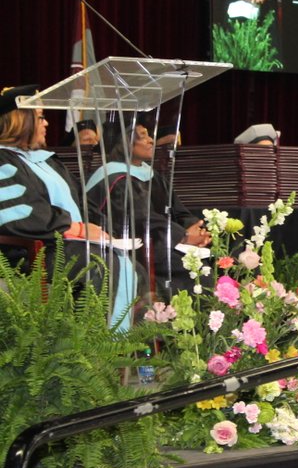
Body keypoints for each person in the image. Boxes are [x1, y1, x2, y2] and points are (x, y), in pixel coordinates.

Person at [0, 87, 138, 329]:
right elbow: (18, 215)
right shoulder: (2, 161)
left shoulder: (49, 161)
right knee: (98, 264)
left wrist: (103, 231)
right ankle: (91, 356)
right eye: (40, 117)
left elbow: (87, 205)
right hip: (29, 255)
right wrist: (76, 228)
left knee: (127, 263)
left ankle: (128, 356)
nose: (46, 124)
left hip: (66, 247)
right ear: (20, 122)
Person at [86, 122, 210, 296]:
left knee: (214, 262)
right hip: (135, 250)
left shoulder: (152, 175)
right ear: (125, 143)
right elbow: (142, 220)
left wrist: (195, 230)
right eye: (143, 136)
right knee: (196, 274)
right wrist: (184, 236)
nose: (151, 140)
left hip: (165, 242)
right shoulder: (115, 178)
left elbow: (177, 210)